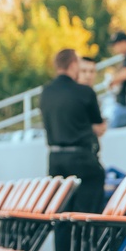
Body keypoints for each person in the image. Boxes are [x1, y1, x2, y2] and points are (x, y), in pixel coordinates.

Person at [38, 47, 106, 215]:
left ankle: (64, 242)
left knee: (61, 214)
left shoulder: (46, 92)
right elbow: (98, 127)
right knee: (86, 215)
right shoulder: (84, 92)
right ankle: (88, 241)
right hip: (81, 159)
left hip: (55, 160)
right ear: (74, 64)